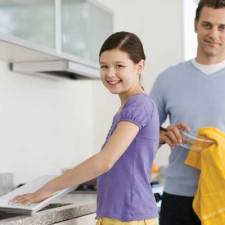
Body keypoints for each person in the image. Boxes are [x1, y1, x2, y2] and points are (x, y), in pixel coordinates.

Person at [13, 31, 160, 225]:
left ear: (139, 66)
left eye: (119, 66)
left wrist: (49, 187)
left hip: (130, 216)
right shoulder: (129, 107)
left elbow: (105, 161)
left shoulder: (138, 105)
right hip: (121, 215)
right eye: (104, 66)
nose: (110, 73)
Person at [150, 0, 225, 225]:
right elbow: (141, 136)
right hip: (178, 198)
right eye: (207, 25)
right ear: (195, 25)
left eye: (222, 27)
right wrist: (163, 134)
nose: (214, 34)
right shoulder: (168, 79)